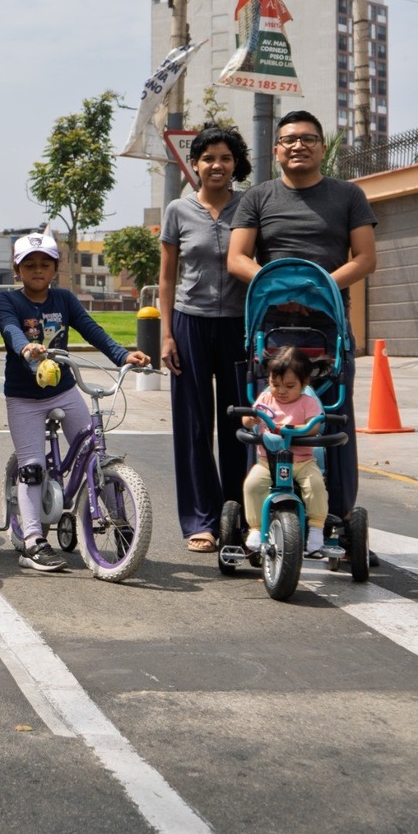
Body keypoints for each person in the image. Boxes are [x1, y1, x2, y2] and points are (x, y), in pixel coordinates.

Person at [226, 109, 377, 522]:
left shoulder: (349, 196)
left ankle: (339, 517)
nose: (298, 145)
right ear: (276, 149)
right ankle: (259, 518)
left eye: (308, 138)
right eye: (289, 139)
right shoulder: (258, 197)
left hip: (329, 326)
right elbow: (237, 259)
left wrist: (316, 290)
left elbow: (365, 259)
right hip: (271, 327)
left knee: (330, 421)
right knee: (269, 419)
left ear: (322, 148)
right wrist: (282, 289)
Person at [0, 232, 150, 571]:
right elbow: (9, 329)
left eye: (45, 264)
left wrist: (123, 355)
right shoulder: (9, 300)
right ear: (17, 269)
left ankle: (122, 525)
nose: (38, 270)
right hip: (24, 397)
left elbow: (91, 329)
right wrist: (24, 347)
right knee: (32, 466)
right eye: (29, 265)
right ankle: (33, 541)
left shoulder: (64, 299)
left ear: (56, 269)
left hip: (64, 389)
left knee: (94, 452)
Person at [159, 125, 251, 553]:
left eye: (226, 158)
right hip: (189, 324)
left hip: (238, 327)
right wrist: (166, 334)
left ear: (236, 164)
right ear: (194, 163)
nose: (217, 165)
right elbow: (166, 276)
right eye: (209, 157)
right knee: (194, 427)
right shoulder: (178, 209)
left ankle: (238, 517)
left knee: (240, 424)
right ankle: (201, 520)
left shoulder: (250, 206)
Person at [239, 347, 331, 555]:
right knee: (252, 485)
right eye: (275, 384)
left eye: (289, 386)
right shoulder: (266, 399)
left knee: (316, 485)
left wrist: (293, 429)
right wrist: (249, 419)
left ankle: (316, 527)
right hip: (268, 462)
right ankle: (255, 528)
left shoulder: (307, 402)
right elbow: (248, 419)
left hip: (302, 462)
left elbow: (315, 426)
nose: (281, 391)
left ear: (304, 383)